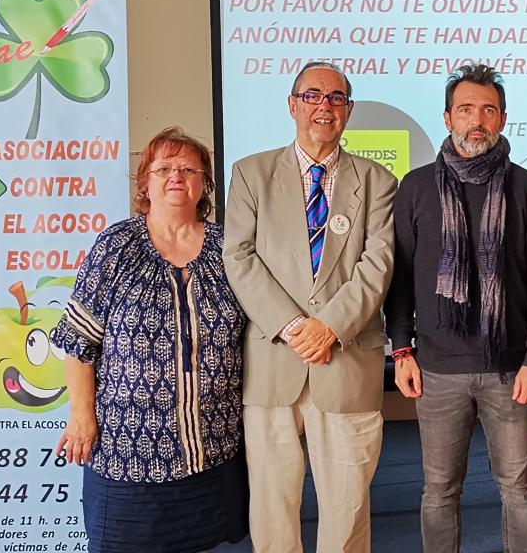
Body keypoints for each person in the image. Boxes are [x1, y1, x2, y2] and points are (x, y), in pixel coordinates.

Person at [384, 64, 527, 553]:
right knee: (440, 491)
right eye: (466, 109)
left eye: (488, 109)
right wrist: (401, 349)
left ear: (503, 119)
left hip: (510, 368)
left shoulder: (526, 188)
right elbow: (399, 277)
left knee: (519, 489)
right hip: (437, 369)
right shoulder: (416, 187)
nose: (477, 120)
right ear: (447, 118)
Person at [223, 61, 396, 553]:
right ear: (292, 105)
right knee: (273, 508)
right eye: (313, 96)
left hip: (346, 360)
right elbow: (239, 257)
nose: (325, 106)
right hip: (274, 363)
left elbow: (377, 263)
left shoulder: (378, 181)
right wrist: (297, 326)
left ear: (349, 110)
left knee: (347, 509)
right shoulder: (251, 174)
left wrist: (330, 327)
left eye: (337, 98)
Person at [53, 127, 248, 553]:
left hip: (214, 454)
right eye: (163, 168)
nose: (175, 176)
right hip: (128, 460)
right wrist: (81, 414)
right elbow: (78, 340)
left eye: (187, 169)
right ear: (145, 183)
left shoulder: (229, 249)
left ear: (203, 184)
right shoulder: (115, 247)